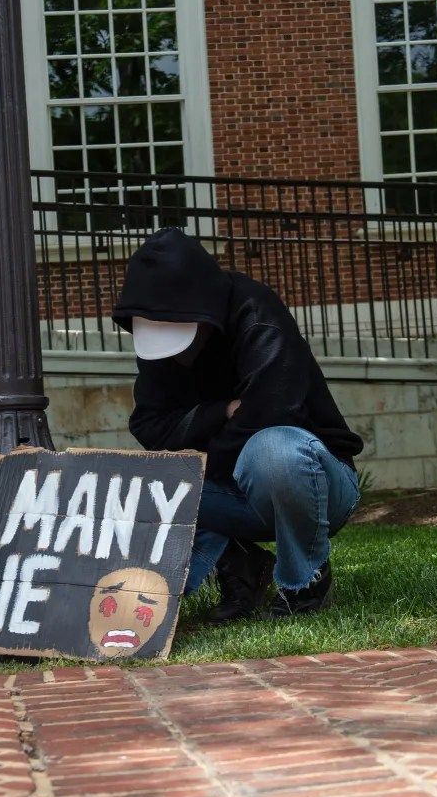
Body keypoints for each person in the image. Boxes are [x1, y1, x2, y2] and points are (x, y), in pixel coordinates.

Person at [112, 227, 363, 620]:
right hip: (231, 492)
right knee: (140, 482)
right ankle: (240, 569)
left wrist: (198, 454)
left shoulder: (258, 315)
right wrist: (222, 410)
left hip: (318, 488)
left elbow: (272, 416)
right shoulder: (156, 346)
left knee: (274, 450)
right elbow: (148, 426)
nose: (174, 354)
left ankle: (304, 581)